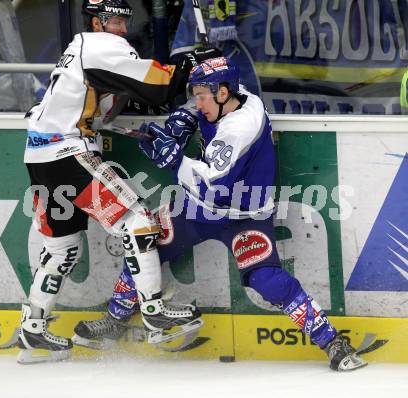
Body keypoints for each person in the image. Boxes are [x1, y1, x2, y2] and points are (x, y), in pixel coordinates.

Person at [74, 56, 368, 371]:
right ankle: (115, 319)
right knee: (143, 243)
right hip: (196, 209)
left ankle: (332, 340)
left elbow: (212, 183)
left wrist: (173, 158)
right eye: (196, 96)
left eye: (202, 97)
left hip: (244, 215)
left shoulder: (240, 127)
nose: (198, 102)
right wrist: (185, 115)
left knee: (268, 280)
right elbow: (200, 108)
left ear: (224, 93)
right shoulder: (232, 97)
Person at [16, 0, 220, 364]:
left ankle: (33, 329)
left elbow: (112, 98)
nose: (123, 29)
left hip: (40, 158)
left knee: (62, 249)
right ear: (97, 22)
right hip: (67, 155)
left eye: (127, 21)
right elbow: (158, 85)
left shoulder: (80, 50)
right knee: (138, 220)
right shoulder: (98, 45)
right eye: (115, 21)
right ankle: (154, 311)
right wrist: (194, 65)